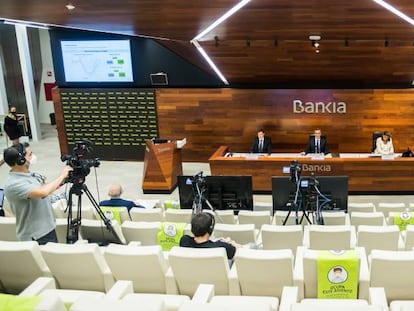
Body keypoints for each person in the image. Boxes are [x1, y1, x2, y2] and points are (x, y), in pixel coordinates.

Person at [3, 142, 72, 244]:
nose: (33, 157)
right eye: (30, 154)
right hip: (36, 235)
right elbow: (43, 192)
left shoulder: (27, 174)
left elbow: (44, 188)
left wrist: (64, 180)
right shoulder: (14, 184)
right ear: (21, 160)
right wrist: (61, 175)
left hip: (46, 229)